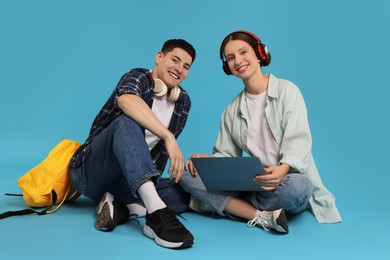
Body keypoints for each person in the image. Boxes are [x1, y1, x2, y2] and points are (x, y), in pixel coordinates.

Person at [180, 30, 342, 234]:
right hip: (253, 182)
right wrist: (207, 161)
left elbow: (298, 141)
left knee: (300, 188)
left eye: (243, 52)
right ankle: (257, 214)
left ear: (259, 53)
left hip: (284, 182)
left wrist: (283, 169)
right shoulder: (231, 110)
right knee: (186, 176)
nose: (238, 60)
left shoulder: (288, 91)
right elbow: (228, 156)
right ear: (227, 67)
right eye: (231, 58)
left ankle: (227, 205)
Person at [70, 39, 196, 249]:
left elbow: (156, 159)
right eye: (175, 60)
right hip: (90, 172)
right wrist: (168, 136)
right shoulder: (138, 76)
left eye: (186, 66)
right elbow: (126, 100)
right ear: (159, 57)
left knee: (184, 189)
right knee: (126, 122)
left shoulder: (183, 102)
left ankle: (122, 208)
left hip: (128, 180)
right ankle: (155, 213)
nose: (179, 69)